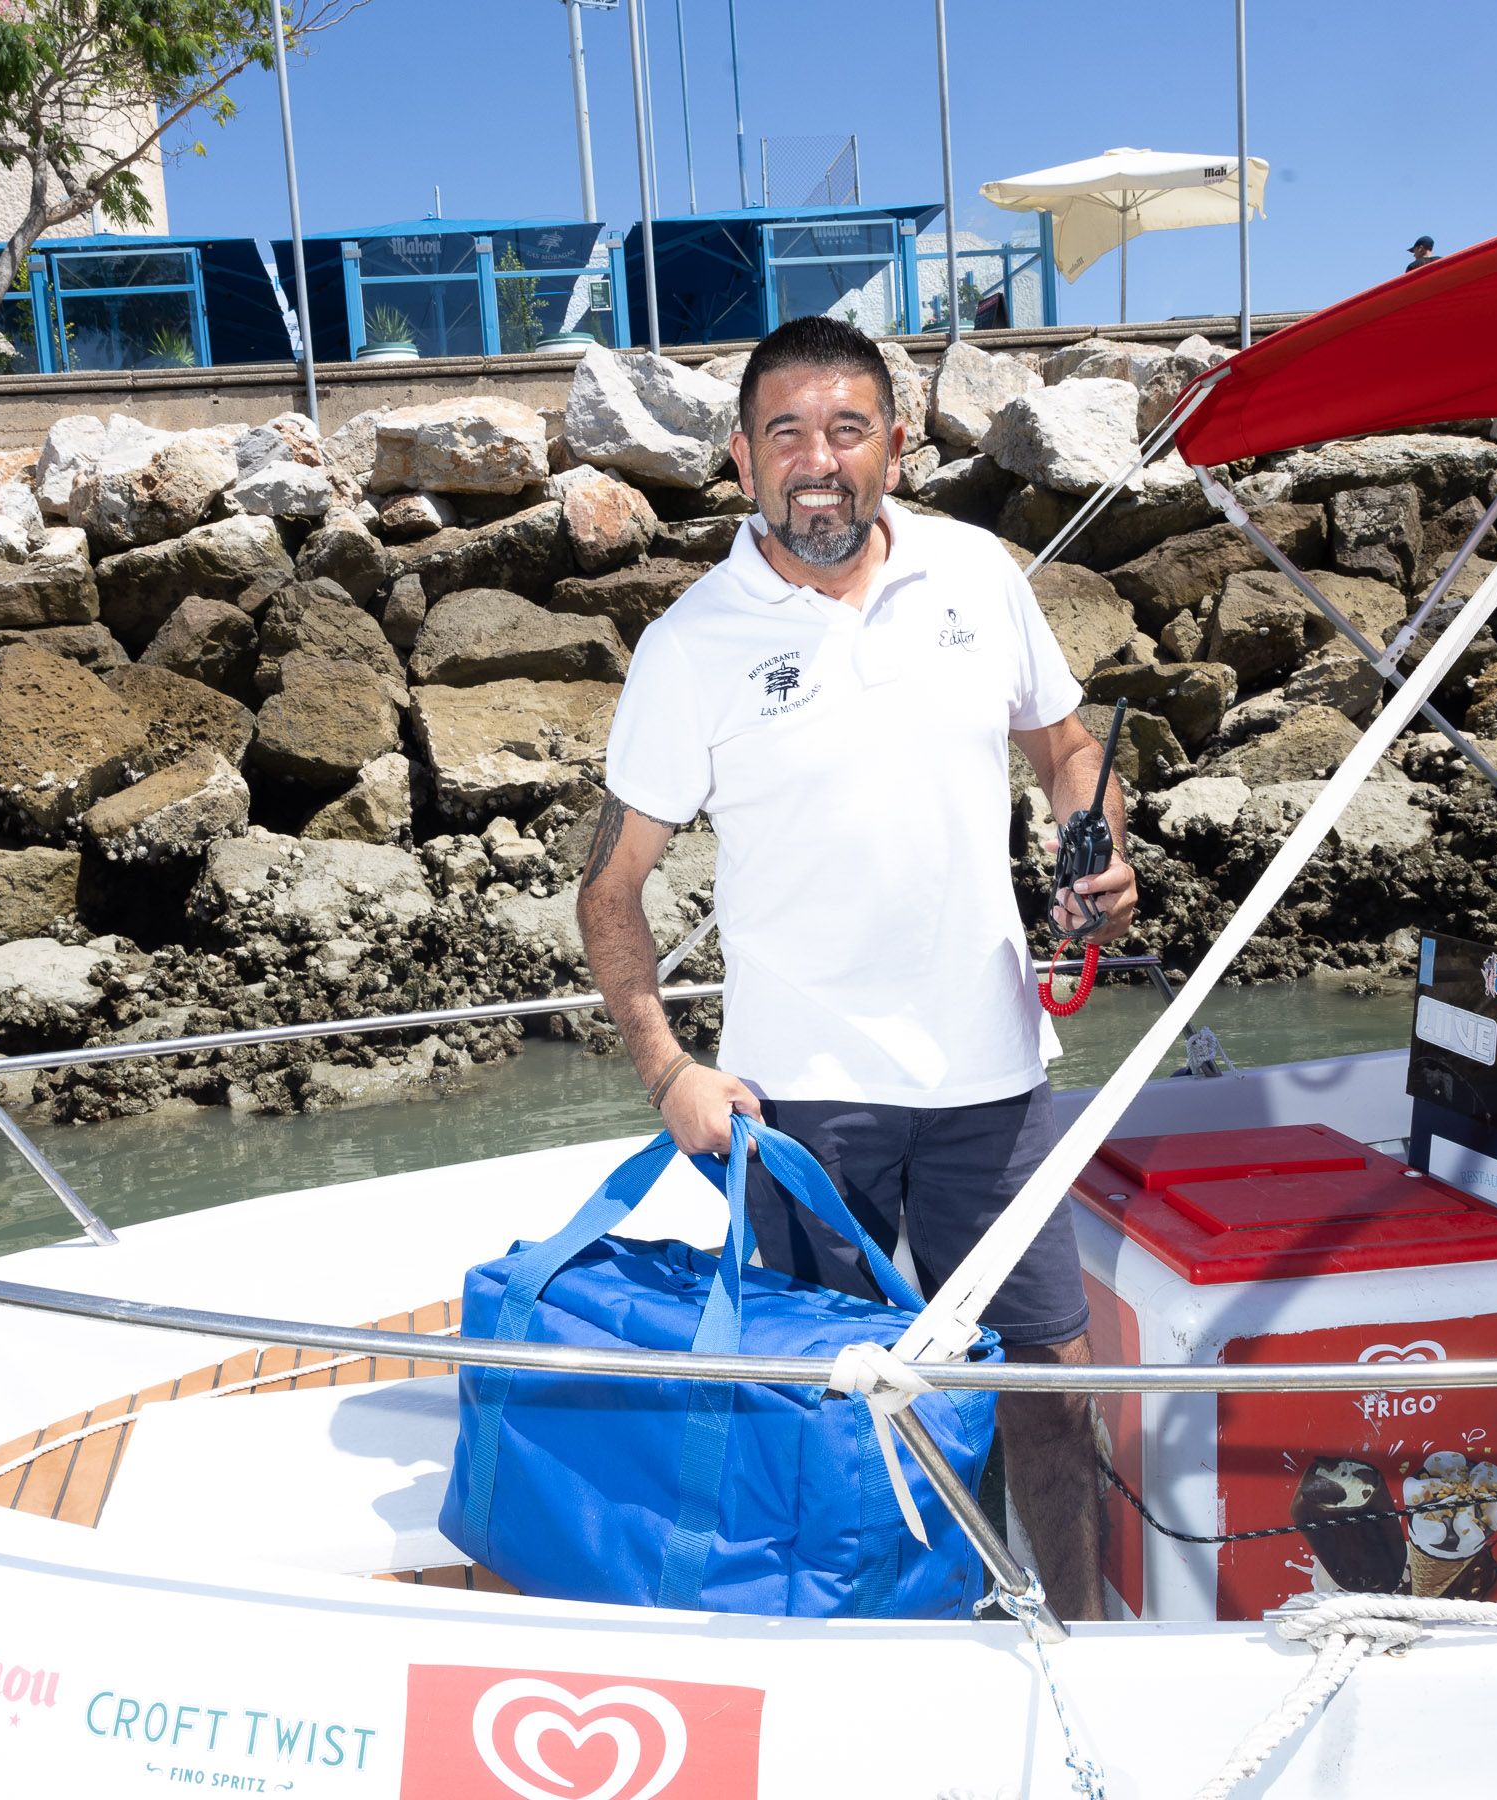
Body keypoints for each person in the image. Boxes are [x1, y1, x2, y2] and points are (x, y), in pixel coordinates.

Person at [574, 314, 1138, 1621]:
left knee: (1048, 1380)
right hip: (803, 1111)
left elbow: (1065, 751)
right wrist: (667, 1072)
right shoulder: (690, 645)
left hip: (994, 1079)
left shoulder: (977, 577)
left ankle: (1096, 1645)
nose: (816, 462)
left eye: (845, 430)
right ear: (738, 458)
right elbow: (610, 893)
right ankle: (865, 1661)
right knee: (832, 1408)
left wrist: (1094, 838)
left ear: (895, 443)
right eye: (784, 433)